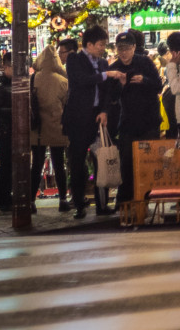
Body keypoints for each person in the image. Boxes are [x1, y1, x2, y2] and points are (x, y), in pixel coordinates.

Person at [106, 28, 164, 207]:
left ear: (133, 47)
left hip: (149, 122)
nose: (123, 52)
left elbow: (158, 86)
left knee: (149, 163)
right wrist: (121, 85)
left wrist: (144, 80)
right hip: (128, 124)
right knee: (127, 164)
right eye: (120, 48)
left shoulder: (145, 62)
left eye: (127, 48)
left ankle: (145, 201)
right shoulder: (114, 69)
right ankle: (125, 202)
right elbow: (111, 98)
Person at [65, 23, 111, 217]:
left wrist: (104, 111)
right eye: (101, 44)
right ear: (90, 44)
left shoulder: (102, 63)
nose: (103, 48)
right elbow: (81, 80)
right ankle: (79, 205)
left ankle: (102, 205)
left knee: (101, 162)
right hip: (77, 120)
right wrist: (106, 75)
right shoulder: (74, 59)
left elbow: (106, 91)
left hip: (97, 119)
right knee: (77, 163)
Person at [33, 43, 70, 210]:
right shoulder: (63, 81)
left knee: (37, 165)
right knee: (59, 164)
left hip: (37, 129)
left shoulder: (33, 79)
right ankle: (63, 199)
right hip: (57, 127)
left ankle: (31, 201)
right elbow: (67, 104)